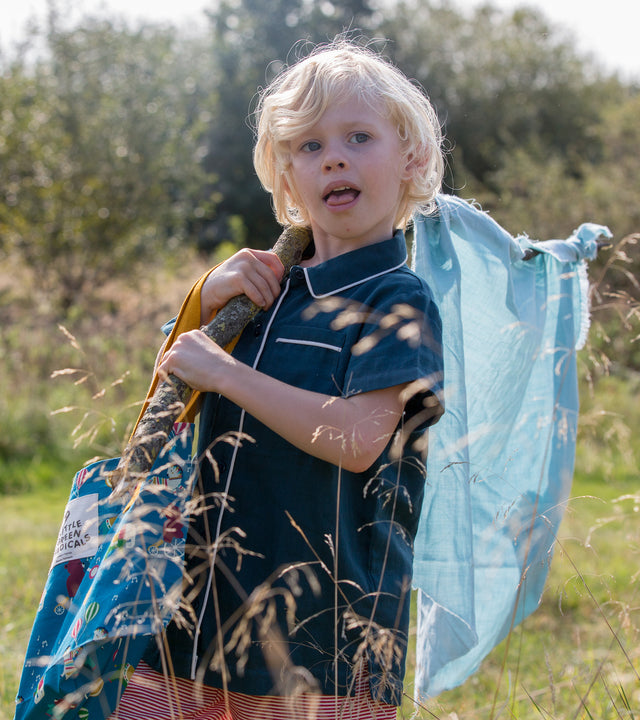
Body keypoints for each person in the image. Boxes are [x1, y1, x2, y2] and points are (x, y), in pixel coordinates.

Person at [115, 39, 445, 719]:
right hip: (194, 616)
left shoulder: (397, 298)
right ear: (286, 176)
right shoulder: (264, 291)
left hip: (323, 638)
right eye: (308, 145)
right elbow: (164, 412)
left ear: (410, 158)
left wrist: (228, 373)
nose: (333, 157)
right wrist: (202, 303)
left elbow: (358, 438)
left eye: (359, 136)